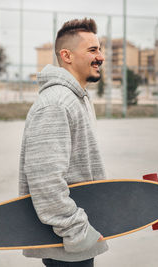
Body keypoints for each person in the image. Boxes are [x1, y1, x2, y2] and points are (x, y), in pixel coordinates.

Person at [19, 18, 108, 267]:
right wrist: (78, 232)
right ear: (67, 55)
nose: (101, 57)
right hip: (68, 242)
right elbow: (45, 180)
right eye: (92, 50)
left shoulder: (75, 98)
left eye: (100, 49)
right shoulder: (57, 103)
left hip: (74, 239)